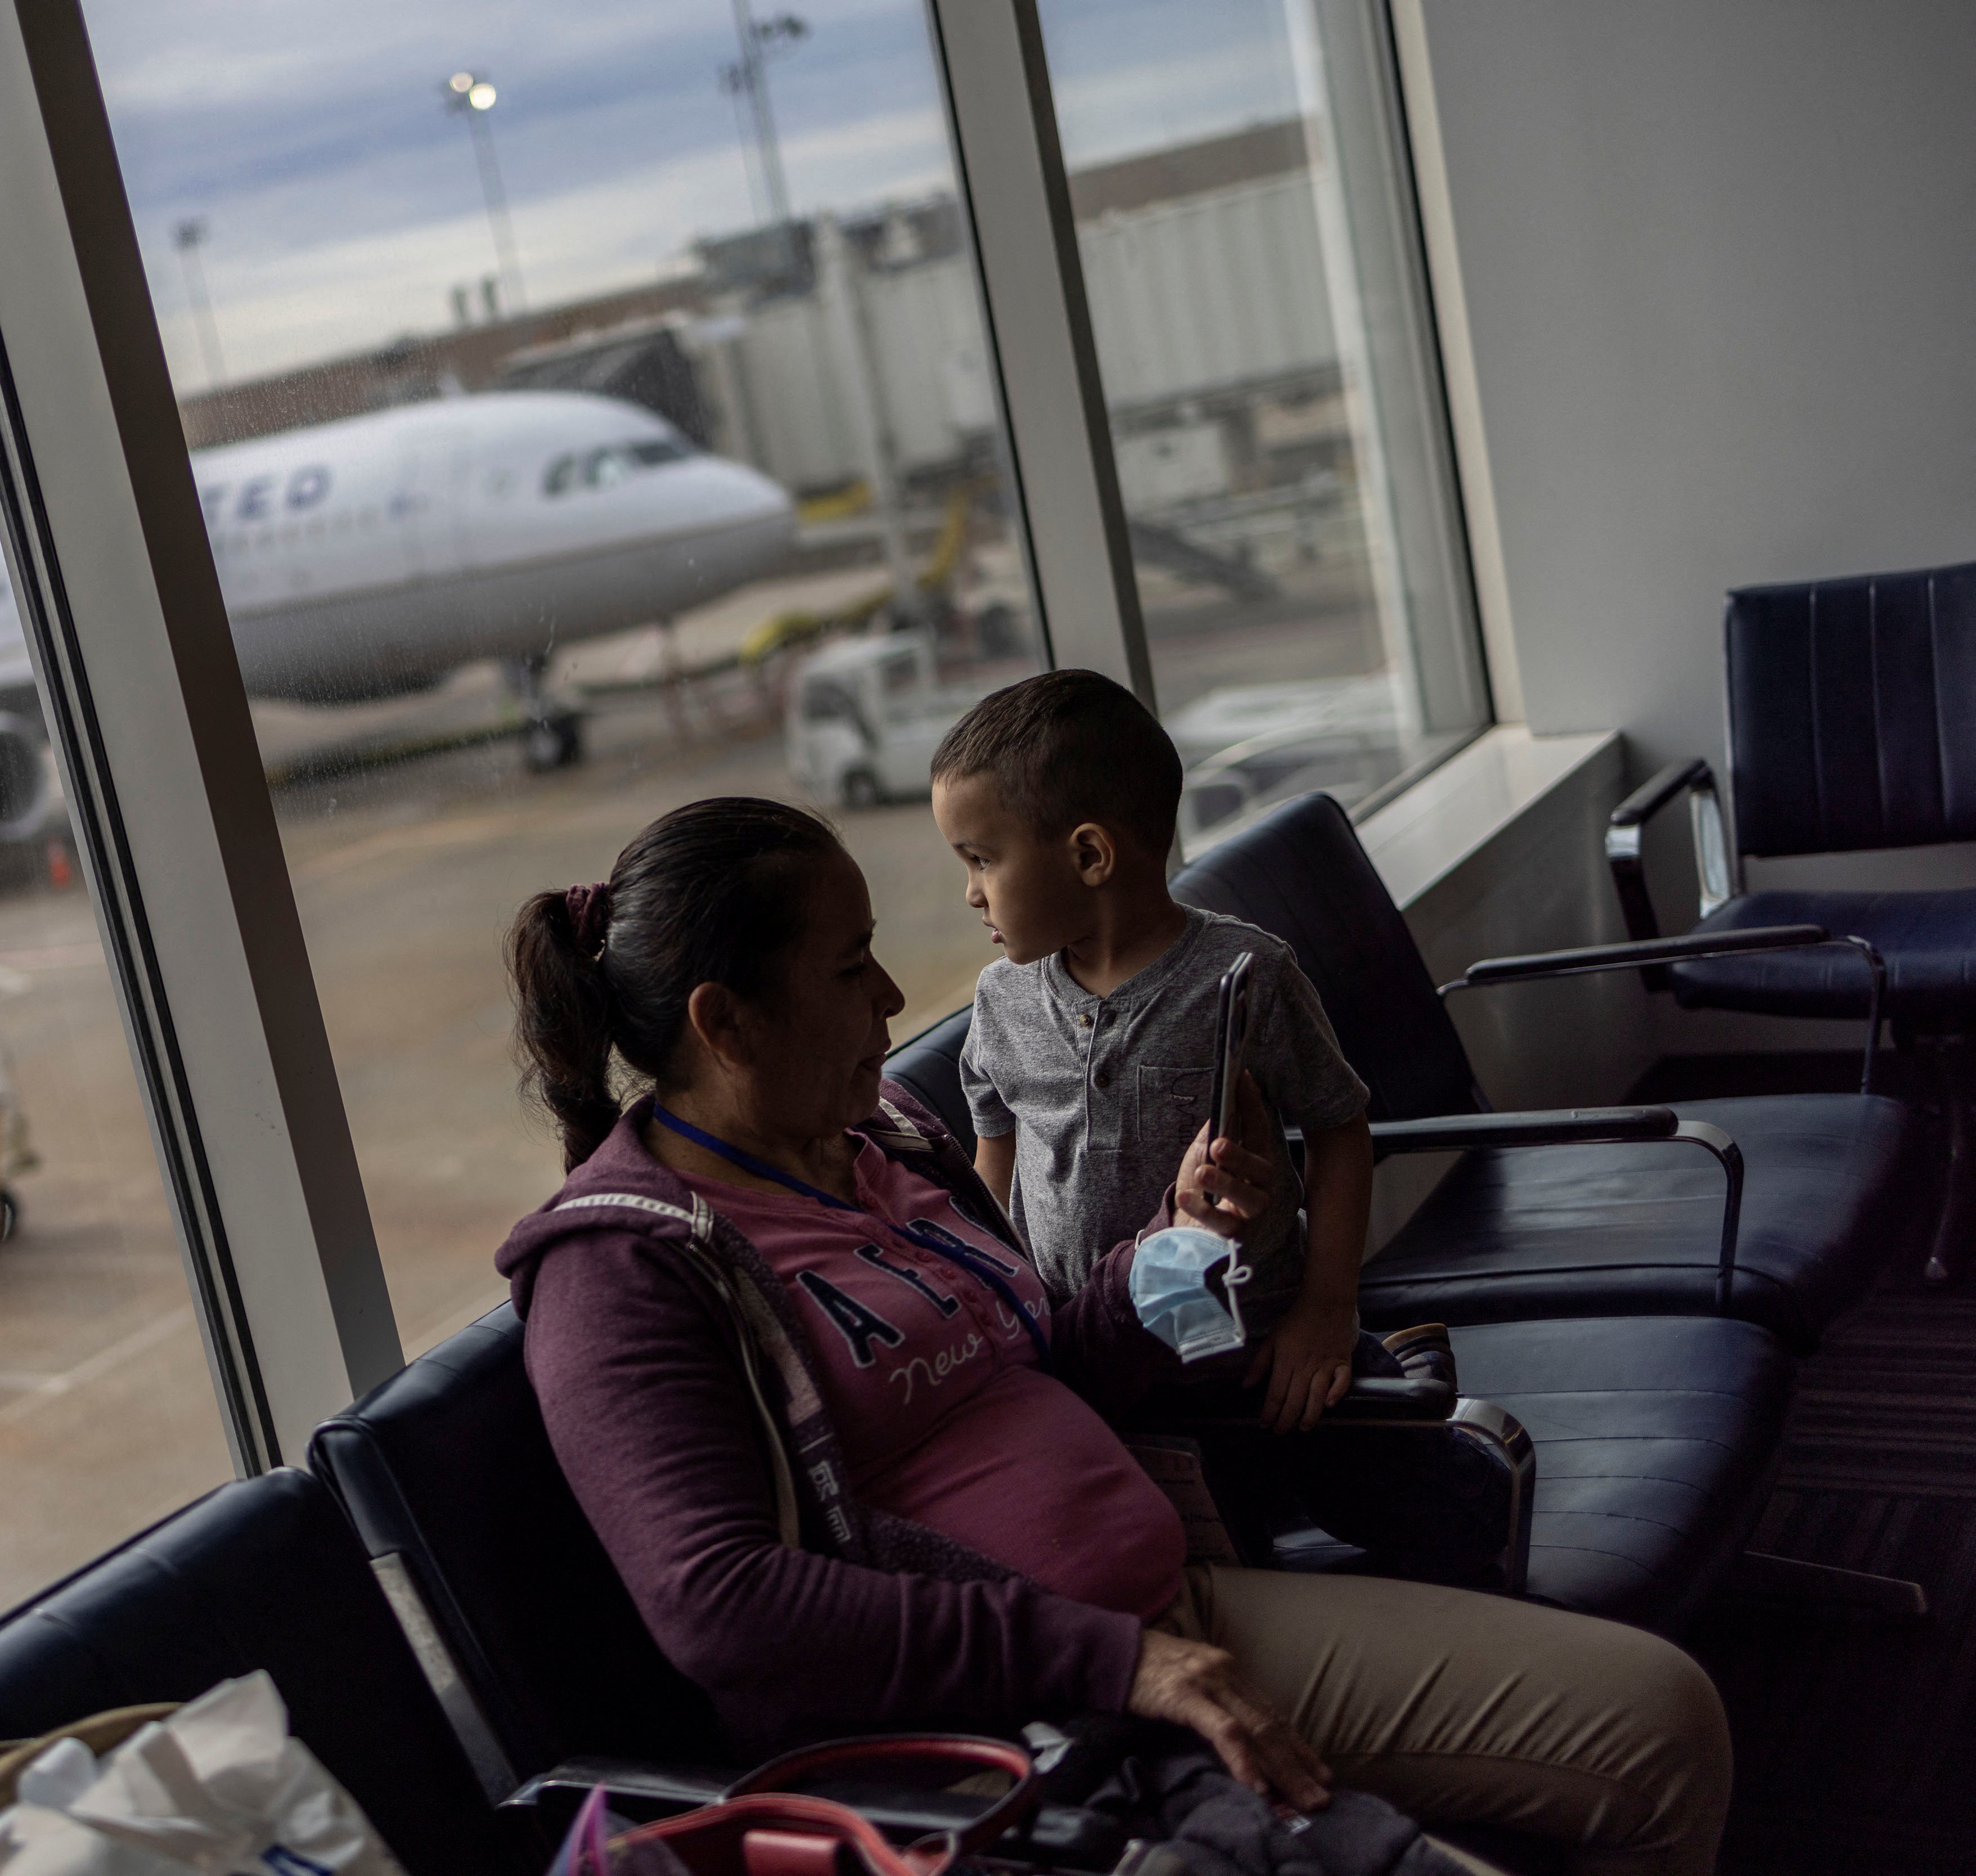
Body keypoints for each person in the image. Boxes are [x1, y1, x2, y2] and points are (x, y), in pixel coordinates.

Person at [497, 797, 1730, 1876]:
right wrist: (1116, 1664)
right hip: (1017, 1718)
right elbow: (725, 1608)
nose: (886, 999)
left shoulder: (885, 1146)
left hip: (1166, 1609)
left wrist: (1183, 1244)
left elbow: (1047, 1366)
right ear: (728, 1022)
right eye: (849, 966)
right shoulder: (625, 1268)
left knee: (1664, 1724)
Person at [930, 671, 1373, 1432]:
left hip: (1251, 1355)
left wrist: (1328, 1310)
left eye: (981, 859)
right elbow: (993, 1167)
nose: (970, 893)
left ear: (1091, 856)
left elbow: (1341, 1134)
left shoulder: (1248, 974)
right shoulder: (1000, 1001)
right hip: (1085, 1359)